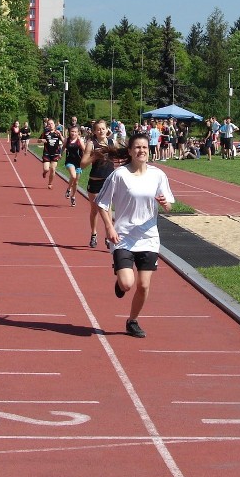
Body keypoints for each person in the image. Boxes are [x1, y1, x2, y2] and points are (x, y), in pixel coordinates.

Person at [95, 132, 175, 339]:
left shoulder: (158, 175)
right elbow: (102, 204)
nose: (141, 151)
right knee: (128, 284)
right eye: (137, 147)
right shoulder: (120, 175)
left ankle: (132, 321)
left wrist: (166, 205)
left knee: (144, 284)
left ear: (150, 150)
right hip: (123, 236)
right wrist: (109, 227)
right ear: (130, 151)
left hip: (148, 237)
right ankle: (120, 281)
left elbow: (169, 204)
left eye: (145, 147)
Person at [81, 119, 116, 248]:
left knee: (108, 209)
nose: (101, 131)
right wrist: (94, 156)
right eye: (98, 129)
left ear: (107, 129)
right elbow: (83, 164)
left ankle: (108, 235)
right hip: (95, 182)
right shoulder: (92, 144)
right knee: (95, 210)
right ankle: (94, 233)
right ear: (95, 131)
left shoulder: (112, 143)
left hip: (109, 182)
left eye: (103, 128)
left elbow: (119, 157)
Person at [38, 119, 64, 189]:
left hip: (55, 154)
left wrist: (61, 135)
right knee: (46, 169)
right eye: (49, 124)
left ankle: (50, 183)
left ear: (54, 124)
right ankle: (44, 173)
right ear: (47, 125)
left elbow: (64, 141)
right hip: (47, 153)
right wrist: (41, 140)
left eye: (52, 124)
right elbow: (38, 140)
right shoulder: (45, 133)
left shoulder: (58, 132)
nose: (50, 125)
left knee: (53, 169)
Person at [63, 125, 85, 206]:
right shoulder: (67, 140)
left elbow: (85, 150)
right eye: (72, 131)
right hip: (69, 161)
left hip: (78, 163)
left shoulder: (80, 141)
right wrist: (60, 154)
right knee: (73, 175)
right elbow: (63, 147)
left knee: (76, 182)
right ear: (69, 132)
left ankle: (73, 196)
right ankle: (68, 189)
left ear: (78, 132)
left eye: (75, 132)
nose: (73, 133)